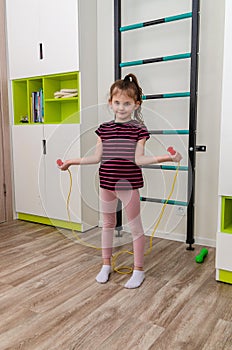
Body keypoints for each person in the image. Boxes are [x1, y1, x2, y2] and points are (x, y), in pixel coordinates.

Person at [58, 73, 182, 289]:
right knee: (107, 225)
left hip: (128, 185)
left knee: (135, 227)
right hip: (106, 183)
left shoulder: (139, 130)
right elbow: (96, 158)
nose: (121, 107)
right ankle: (105, 265)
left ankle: (138, 270)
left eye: (127, 103)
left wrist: (167, 157)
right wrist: (70, 161)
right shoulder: (103, 129)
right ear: (110, 103)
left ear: (136, 104)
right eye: (117, 102)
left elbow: (139, 159)